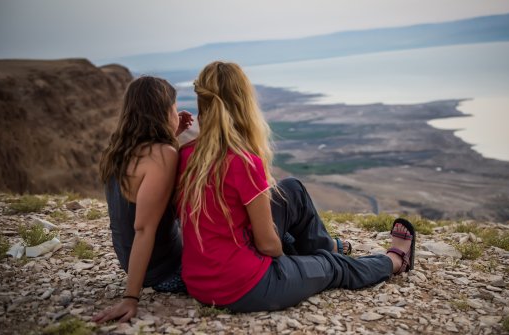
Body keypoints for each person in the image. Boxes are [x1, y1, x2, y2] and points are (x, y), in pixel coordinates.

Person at [177, 61, 416, 312]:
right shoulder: (243, 161)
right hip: (245, 288)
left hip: (199, 284)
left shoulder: (185, 155)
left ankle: (327, 248)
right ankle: (394, 261)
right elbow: (269, 246)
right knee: (330, 267)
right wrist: (290, 260)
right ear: (243, 102)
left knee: (291, 189)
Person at [93, 76, 193, 323]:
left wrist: (173, 133)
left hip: (133, 263)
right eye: (173, 107)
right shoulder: (163, 154)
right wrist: (131, 298)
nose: (176, 113)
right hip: (166, 272)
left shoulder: (117, 150)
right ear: (163, 111)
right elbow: (143, 228)